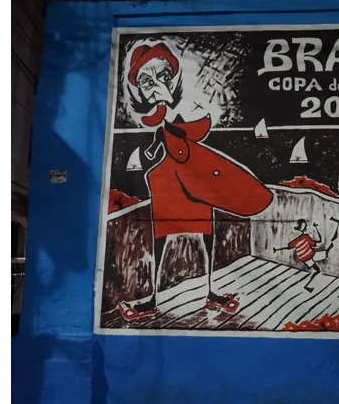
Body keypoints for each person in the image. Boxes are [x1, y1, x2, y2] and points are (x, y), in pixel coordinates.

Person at [117, 42, 274, 321]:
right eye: (146, 80)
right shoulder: (158, 120)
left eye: (162, 75)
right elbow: (153, 148)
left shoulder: (187, 107)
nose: (155, 85)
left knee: (204, 235)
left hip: (193, 183)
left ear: (173, 77)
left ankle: (209, 292)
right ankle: (155, 299)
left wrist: (170, 110)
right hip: (168, 188)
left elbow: (200, 127)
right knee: (163, 238)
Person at [273, 218, 339, 292]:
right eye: (306, 227)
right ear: (304, 229)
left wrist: (277, 249)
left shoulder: (296, 240)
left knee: (317, 270)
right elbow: (319, 241)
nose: (307, 228)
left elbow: (288, 247)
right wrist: (316, 228)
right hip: (311, 255)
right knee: (325, 254)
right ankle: (331, 245)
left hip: (304, 259)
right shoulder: (306, 237)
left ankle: (307, 285)